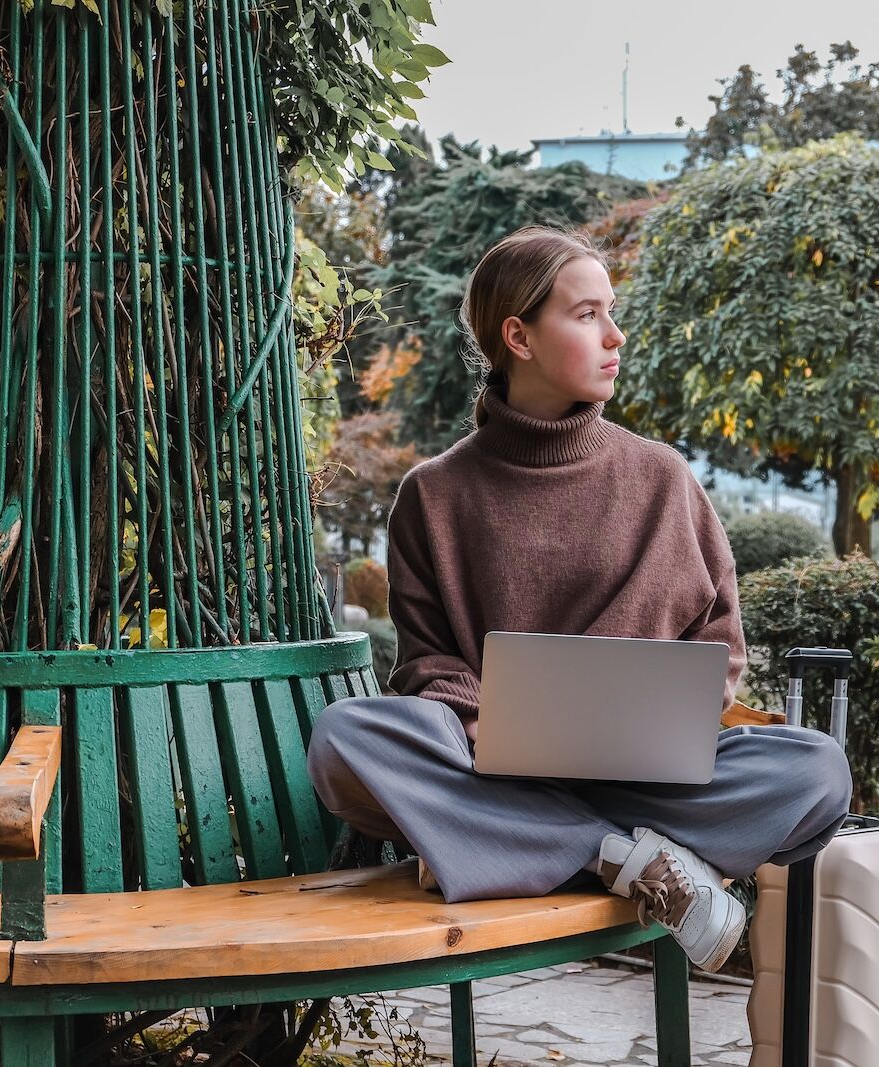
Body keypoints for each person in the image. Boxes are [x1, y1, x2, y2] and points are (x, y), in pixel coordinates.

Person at [308, 225, 851, 972]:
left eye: (611, 311)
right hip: (486, 769)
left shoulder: (662, 479)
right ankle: (617, 856)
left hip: (647, 780)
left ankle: (532, 842)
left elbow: (717, 644)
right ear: (518, 335)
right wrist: (488, 729)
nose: (615, 334)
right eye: (588, 313)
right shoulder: (433, 497)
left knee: (817, 768)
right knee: (346, 738)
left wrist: (668, 719)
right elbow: (430, 664)